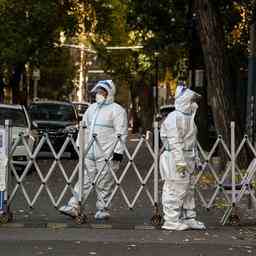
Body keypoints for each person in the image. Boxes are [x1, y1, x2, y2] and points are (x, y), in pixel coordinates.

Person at [59, 80, 128, 220]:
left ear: (109, 93)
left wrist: (118, 152)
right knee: (83, 180)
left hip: (107, 153)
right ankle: (74, 205)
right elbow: (84, 128)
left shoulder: (117, 110)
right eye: (98, 91)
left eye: (102, 91)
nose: (99, 94)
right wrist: (80, 145)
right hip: (89, 152)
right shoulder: (92, 109)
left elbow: (122, 132)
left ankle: (103, 209)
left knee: (104, 182)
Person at [159, 83, 206, 231]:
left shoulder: (189, 119)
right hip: (175, 158)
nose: (194, 104)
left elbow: (192, 142)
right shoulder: (174, 117)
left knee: (189, 189)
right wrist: (180, 162)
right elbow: (175, 142)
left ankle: (189, 217)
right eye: (192, 100)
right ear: (185, 100)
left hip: (187, 158)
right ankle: (171, 220)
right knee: (175, 188)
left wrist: (196, 159)